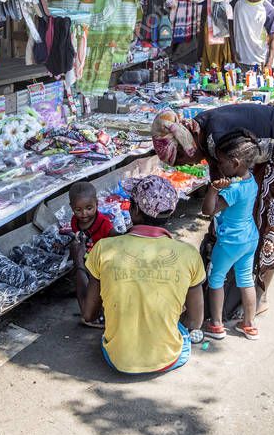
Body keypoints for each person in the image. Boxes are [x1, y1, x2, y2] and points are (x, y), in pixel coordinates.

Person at [150, 103, 274, 315]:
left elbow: (220, 201)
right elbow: (221, 199)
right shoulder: (202, 132)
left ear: (187, 147)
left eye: (183, 160)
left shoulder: (216, 140)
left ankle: (260, 295)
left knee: (273, 224)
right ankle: (245, 290)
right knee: (249, 218)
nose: (190, 164)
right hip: (266, 149)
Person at [80, 175, 206, 372]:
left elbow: (89, 314)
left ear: (135, 210)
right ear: (171, 211)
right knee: (179, 328)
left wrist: (78, 264)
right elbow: (195, 321)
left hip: (117, 359)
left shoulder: (104, 248)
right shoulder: (189, 254)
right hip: (168, 359)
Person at [201, 134, 260, 340]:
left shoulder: (233, 190)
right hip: (250, 238)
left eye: (222, 161)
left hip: (230, 242)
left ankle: (216, 324)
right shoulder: (250, 180)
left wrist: (212, 191)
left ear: (235, 163)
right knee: (245, 279)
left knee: (216, 278)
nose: (219, 165)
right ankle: (249, 324)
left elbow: (208, 210)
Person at [67, 181, 114, 328]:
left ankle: (99, 313)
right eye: (78, 210)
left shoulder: (103, 223)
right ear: (72, 208)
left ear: (97, 204)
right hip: (86, 259)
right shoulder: (75, 221)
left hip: (101, 264)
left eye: (89, 208)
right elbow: (77, 235)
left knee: (100, 291)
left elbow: (114, 237)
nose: (84, 214)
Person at [232, 0, 274, 71]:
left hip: (258, 63)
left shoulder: (269, 10)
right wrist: (232, 51)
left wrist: (269, 64)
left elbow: (273, 38)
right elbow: (231, 28)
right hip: (237, 61)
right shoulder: (237, 4)